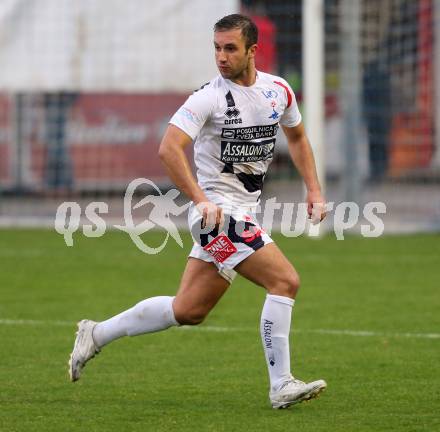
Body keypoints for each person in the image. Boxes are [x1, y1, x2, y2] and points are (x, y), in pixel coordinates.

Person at [69, 14, 327, 409]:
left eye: (230, 49)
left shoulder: (279, 91)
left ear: (252, 51)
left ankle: (95, 333)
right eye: (217, 48)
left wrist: (313, 188)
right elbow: (168, 148)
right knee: (285, 282)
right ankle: (281, 384)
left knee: (188, 310)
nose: (221, 57)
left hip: (244, 214)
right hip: (217, 219)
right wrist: (201, 201)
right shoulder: (206, 97)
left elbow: (297, 137)